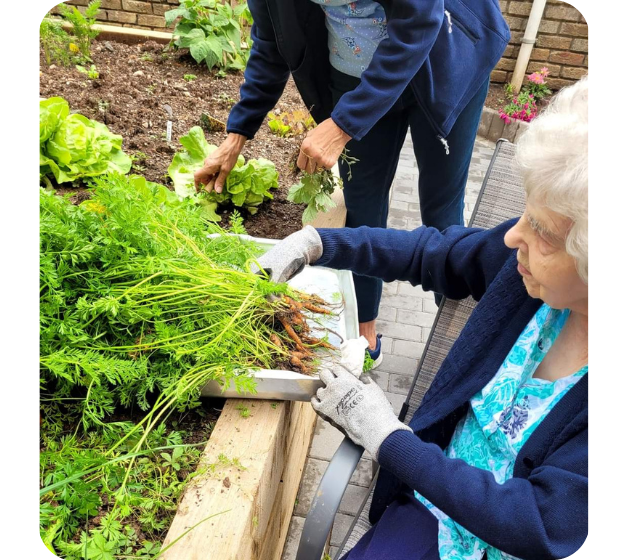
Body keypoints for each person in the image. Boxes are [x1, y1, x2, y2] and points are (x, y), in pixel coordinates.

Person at [254, 78, 589, 559]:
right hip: (428, 518)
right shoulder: (524, 272)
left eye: (543, 232)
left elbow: (541, 523)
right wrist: (321, 244)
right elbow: (432, 252)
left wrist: (389, 438)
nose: (513, 237)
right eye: (525, 214)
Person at [194, 0, 511, 368]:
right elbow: (272, 43)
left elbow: (420, 21)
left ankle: (455, 344)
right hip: (353, 72)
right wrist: (236, 137)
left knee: (442, 209)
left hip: (442, 55)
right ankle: (364, 335)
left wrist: (343, 124)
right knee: (362, 202)